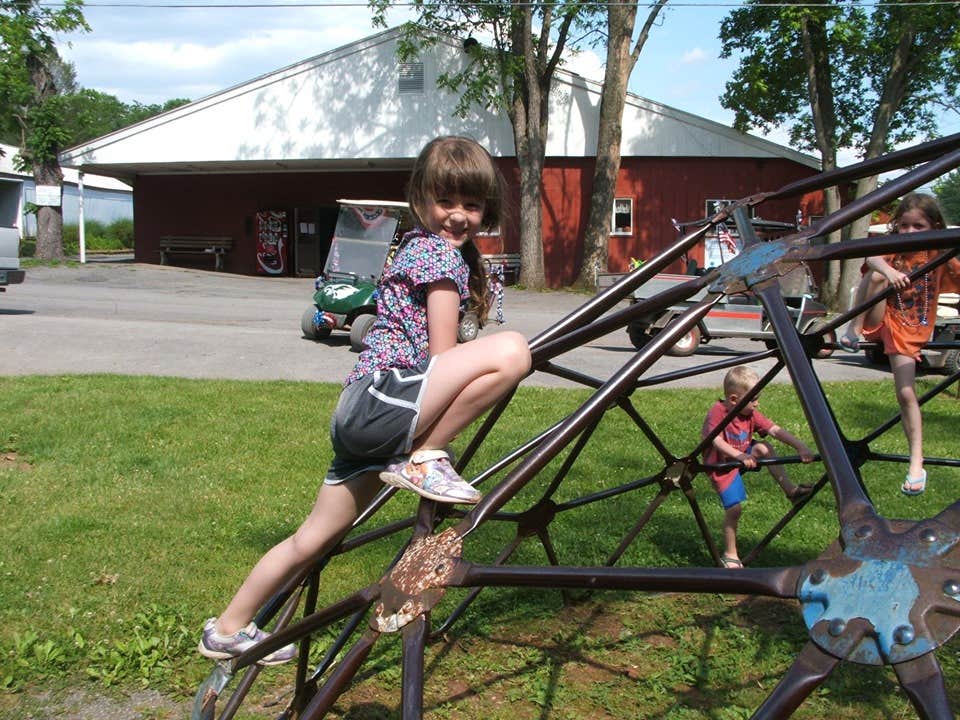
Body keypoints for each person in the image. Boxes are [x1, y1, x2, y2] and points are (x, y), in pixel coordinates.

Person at [198, 136, 531, 664]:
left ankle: (229, 628)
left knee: (311, 538)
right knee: (513, 353)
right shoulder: (437, 256)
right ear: (420, 198)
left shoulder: (426, 252)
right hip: (387, 398)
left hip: (365, 411)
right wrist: (436, 436)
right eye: (447, 202)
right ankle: (422, 458)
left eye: (471, 204)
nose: (459, 216)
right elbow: (442, 359)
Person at [838, 193, 960, 495]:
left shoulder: (939, 254)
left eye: (918, 226)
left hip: (908, 333)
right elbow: (870, 257)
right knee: (876, 278)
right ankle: (852, 328)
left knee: (906, 393)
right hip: (878, 316)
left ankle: (916, 464)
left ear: (934, 226)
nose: (909, 233)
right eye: (904, 226)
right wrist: (890, 271)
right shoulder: (894, 251)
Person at [702, 366, 815, 569]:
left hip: (744, 457)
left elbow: (774, 430)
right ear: (734, 399)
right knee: (734, 510)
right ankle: (730, 553)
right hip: (722, 465)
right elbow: (714, 440)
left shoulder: (751, 414)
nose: (757, 403)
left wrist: (800, 446)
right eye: (753, 399)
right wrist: (739, 455)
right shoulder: (718, 411)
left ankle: (790, 491)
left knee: (764, 447)